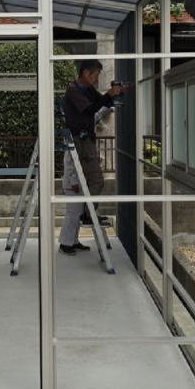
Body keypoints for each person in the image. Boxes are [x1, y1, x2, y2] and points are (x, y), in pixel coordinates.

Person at [58, 60, 121, 256]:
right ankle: (68, 241)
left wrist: (113, 97)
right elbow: (89, 109)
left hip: (86, 141)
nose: (97, 77)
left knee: (95, 183)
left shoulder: (88, 89)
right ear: (86, 72)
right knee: (75, 200)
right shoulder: (73, 90)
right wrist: (108, 96)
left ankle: (84, 220)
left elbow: (99, 103)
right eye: (96, 74)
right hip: (78, 141)